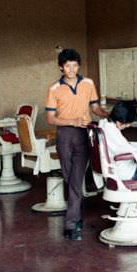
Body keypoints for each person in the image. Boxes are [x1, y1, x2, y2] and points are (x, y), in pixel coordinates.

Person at [45, 48, 108, 241]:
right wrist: (72, 122)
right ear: (61, 67)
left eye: (74, 65)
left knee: (76, 177)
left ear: (78, 66)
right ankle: (76, 215)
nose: (71, 69)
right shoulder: (54, 89)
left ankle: (71, 223)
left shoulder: (88, 83)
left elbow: (96, 108)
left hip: (84, 134)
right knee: (70, 177)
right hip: (65, 134)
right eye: (67, 66)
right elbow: (50, 118)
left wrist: (111, 115)